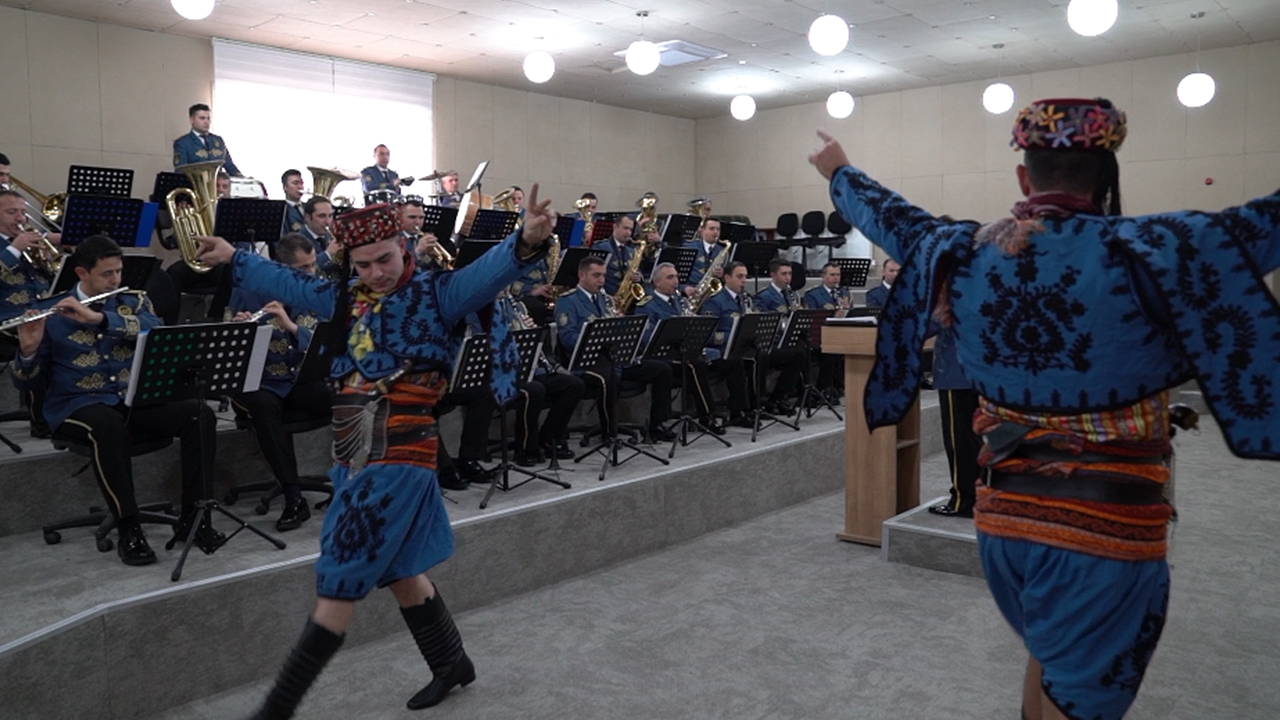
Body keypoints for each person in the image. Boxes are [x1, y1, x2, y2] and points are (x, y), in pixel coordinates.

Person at [809, 97, 1280, 720]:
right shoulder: (1157, 250)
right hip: (1104, 533)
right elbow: (1266, 226)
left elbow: (897, 221)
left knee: (1050, 663)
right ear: (1106, 174)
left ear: (1023, 177)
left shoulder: (965, 252)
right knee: (1078, 694)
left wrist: (840, 171)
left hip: (1004, 525)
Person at [195, 185, 556, 718]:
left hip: (402, 453)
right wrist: (233, 256)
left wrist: (525, 240)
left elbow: (488, 274)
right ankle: (450, 661)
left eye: (384, 259)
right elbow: (291, 282)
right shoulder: (348, 297)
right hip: (351, 453)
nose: (376, 273)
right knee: (401, 565)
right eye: (363, 265)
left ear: (403, 246)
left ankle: (275, 710)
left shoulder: (439, 292)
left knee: (339, 580)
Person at [12, 236, 223, 565]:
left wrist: (100, 319)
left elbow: (155, 330)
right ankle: (129, 528)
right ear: (82, 273)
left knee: (200, 414)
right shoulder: (50, 311)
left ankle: (194, 520)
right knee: (107, 427)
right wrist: (27, 351)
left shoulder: (134, 302)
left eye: (118, 272)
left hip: (131, 399)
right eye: (106, 274)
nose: (115, 280)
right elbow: (27, 383)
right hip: (76, 404)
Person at [227, 234, 330, 532]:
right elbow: (226, 350)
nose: (311, 273)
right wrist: (240, 331)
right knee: (263, 407)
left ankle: (360, 482)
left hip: (299, 379)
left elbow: (326, 344)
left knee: (348, 395)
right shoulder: (246, 292)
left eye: (313, 265)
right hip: (261, 382)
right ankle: (293, 497)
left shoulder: (318, 292)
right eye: (303, 269)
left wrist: (292, 327)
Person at [556, 256, 676, 442]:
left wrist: (621, 326)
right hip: (588, 363)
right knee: (608, 377)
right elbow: (567, 338)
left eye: (604, 275)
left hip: (615, 359)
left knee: (661, 369)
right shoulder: (568, 301)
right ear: (582, 275)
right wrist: (599, 336)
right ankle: (609, 433)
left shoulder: (605, 299)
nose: (601, 280)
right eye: (596, 275)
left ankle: (657, 425)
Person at [634, 261, 747, 433]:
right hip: (666, 357)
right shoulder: (647, 305)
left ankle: (740, 411)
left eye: (676, 277)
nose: (675, 281)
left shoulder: (679, 301)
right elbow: (648, 340)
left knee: (733, 360)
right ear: (657, 282)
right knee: (695, 364)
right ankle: (707, 416)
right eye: (670, 277)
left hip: (688, 352)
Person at [698, 261, 804, 419]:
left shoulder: (746, 299)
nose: (743, 281)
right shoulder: (715, 301)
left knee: (796, 354)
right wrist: (734, 335)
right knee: (758, 358)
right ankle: (754, 406)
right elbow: (708, 335)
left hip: (749, 347)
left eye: (745, 277)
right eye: (739, 276)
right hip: (728, 349)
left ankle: (775, 399)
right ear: (727, 278)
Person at [0, 189, 61, 437]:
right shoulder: (16, 244)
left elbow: (50, 281)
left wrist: (47, 262)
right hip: (7, 320)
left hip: (41, 312)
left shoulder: (27, 241)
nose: (20, 218)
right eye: (11, 212)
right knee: (42, 342)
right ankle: (42, 421)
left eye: (23, 212)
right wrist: (14, 249)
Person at [502, 294, 585, 466]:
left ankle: (549, 439)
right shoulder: (480, 309)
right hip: (503, 374)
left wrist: (531, 333)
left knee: (573, 385)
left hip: (530, 368)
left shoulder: (518, 306)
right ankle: (525, 448)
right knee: (534, 390)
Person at [928, 326, 981, 518]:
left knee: (959, 441)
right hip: (980, 369)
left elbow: (929, 323)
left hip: (956, 370)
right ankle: (979, 495)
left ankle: (963, 500)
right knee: (974, 438)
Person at [803, 262, 849, 399]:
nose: (836, 278)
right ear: (823, 276)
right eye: (832, 275)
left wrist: (846, 312)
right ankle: (825, 388)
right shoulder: (813, 294)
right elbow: (812, 318)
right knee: (831, 351)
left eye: (838, 275)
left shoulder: (845, 293)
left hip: (841, 334)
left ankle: (841, 385)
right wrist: (833, 315)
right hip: (821, 335)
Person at [173, 103, 240, 175]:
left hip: (217, 181)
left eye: (208, 118)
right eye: (202, 118)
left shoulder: (218, 140)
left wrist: (242, 178)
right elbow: (181, 170)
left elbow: (229, 166)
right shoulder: (182, 143)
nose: (206, 122)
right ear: (191, 120)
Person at [682, 217, 727, 296]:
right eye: (711, 229)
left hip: (713, 293)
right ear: (702, 231)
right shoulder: (689, 247)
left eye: (718, 229)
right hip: (692, 290)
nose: (715, 232)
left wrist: (723, 274)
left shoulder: (723, 251)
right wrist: (684, 288)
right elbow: (679, 273)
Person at [600, 214, 641, 298]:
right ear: (615, 227)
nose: (628, 233)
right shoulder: (602, 247)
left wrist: (638, 276)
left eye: (630, 229)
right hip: (607, 295)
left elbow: (637, 270)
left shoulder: (631, 251)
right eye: (625, 228)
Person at [299, 196, 339, 275]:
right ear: (307, 217)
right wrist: (328, 253)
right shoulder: (298, 240)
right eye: (322, 216)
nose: (328, 222)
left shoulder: (329, 236)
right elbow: (304, 272)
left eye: (330, 216)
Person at [280, 169, 305, 235]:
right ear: (285, 187)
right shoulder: (281, 210)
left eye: (301, 183)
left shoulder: (309, 207)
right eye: (295, 183)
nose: (300, 187)